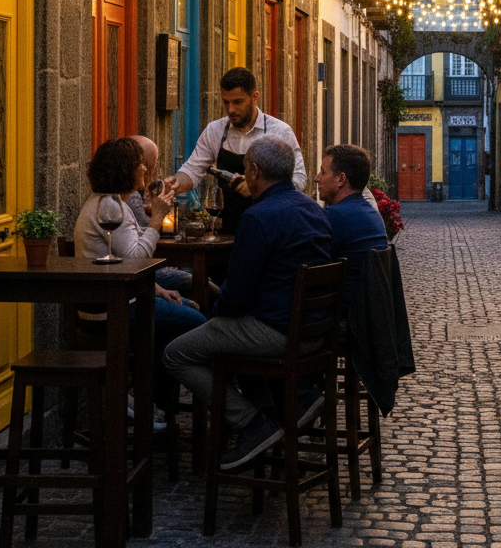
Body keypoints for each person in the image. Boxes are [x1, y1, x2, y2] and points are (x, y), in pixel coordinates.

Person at [163, 135, 332, 470]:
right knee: (231, 337)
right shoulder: (312, 208)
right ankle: (283, 404)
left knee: (176, 354)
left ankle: (253, 425)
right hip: (314, 330)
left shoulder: (258, 217)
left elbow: (236, 299)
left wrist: (215, 308)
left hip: (277, 331)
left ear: (255, 171)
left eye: (243, 169)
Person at [75, 137, 207, 423]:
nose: (145, 169)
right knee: (196, 323)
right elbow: (136, 259)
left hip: (111, 302)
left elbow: (123, 265)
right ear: (125, 170)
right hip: (112, 310)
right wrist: (158, 218)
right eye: (140, 164)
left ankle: (144, 397)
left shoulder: (105, 203)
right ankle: (146, 398)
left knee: (181, 312)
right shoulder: (112, 208)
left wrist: (157, 290)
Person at [164, 67, 306, 235]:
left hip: (272, 226)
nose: (230, 109)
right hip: (229, 228)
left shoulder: (280, 131)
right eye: (226, 102)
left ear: (254, 98)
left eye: (238, 102)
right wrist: (174, 184)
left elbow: (299, 179)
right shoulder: (215, 130)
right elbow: (193, 169)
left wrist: (258, 188)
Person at [314, 144, 388, 308]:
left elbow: (306, 267)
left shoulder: (335, 217)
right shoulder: (371, 213)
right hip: (365, 319)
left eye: (323, 172)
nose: (316, 178)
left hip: (340, 323)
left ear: (341, 179)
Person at [126, 135, 197, 299]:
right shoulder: (127, 195)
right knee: (192, 280)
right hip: (139, 274)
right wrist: (158, 213)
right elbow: (145, 235)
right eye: (149, 166)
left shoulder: (135, 192)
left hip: (140, 272)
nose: (148, 170)